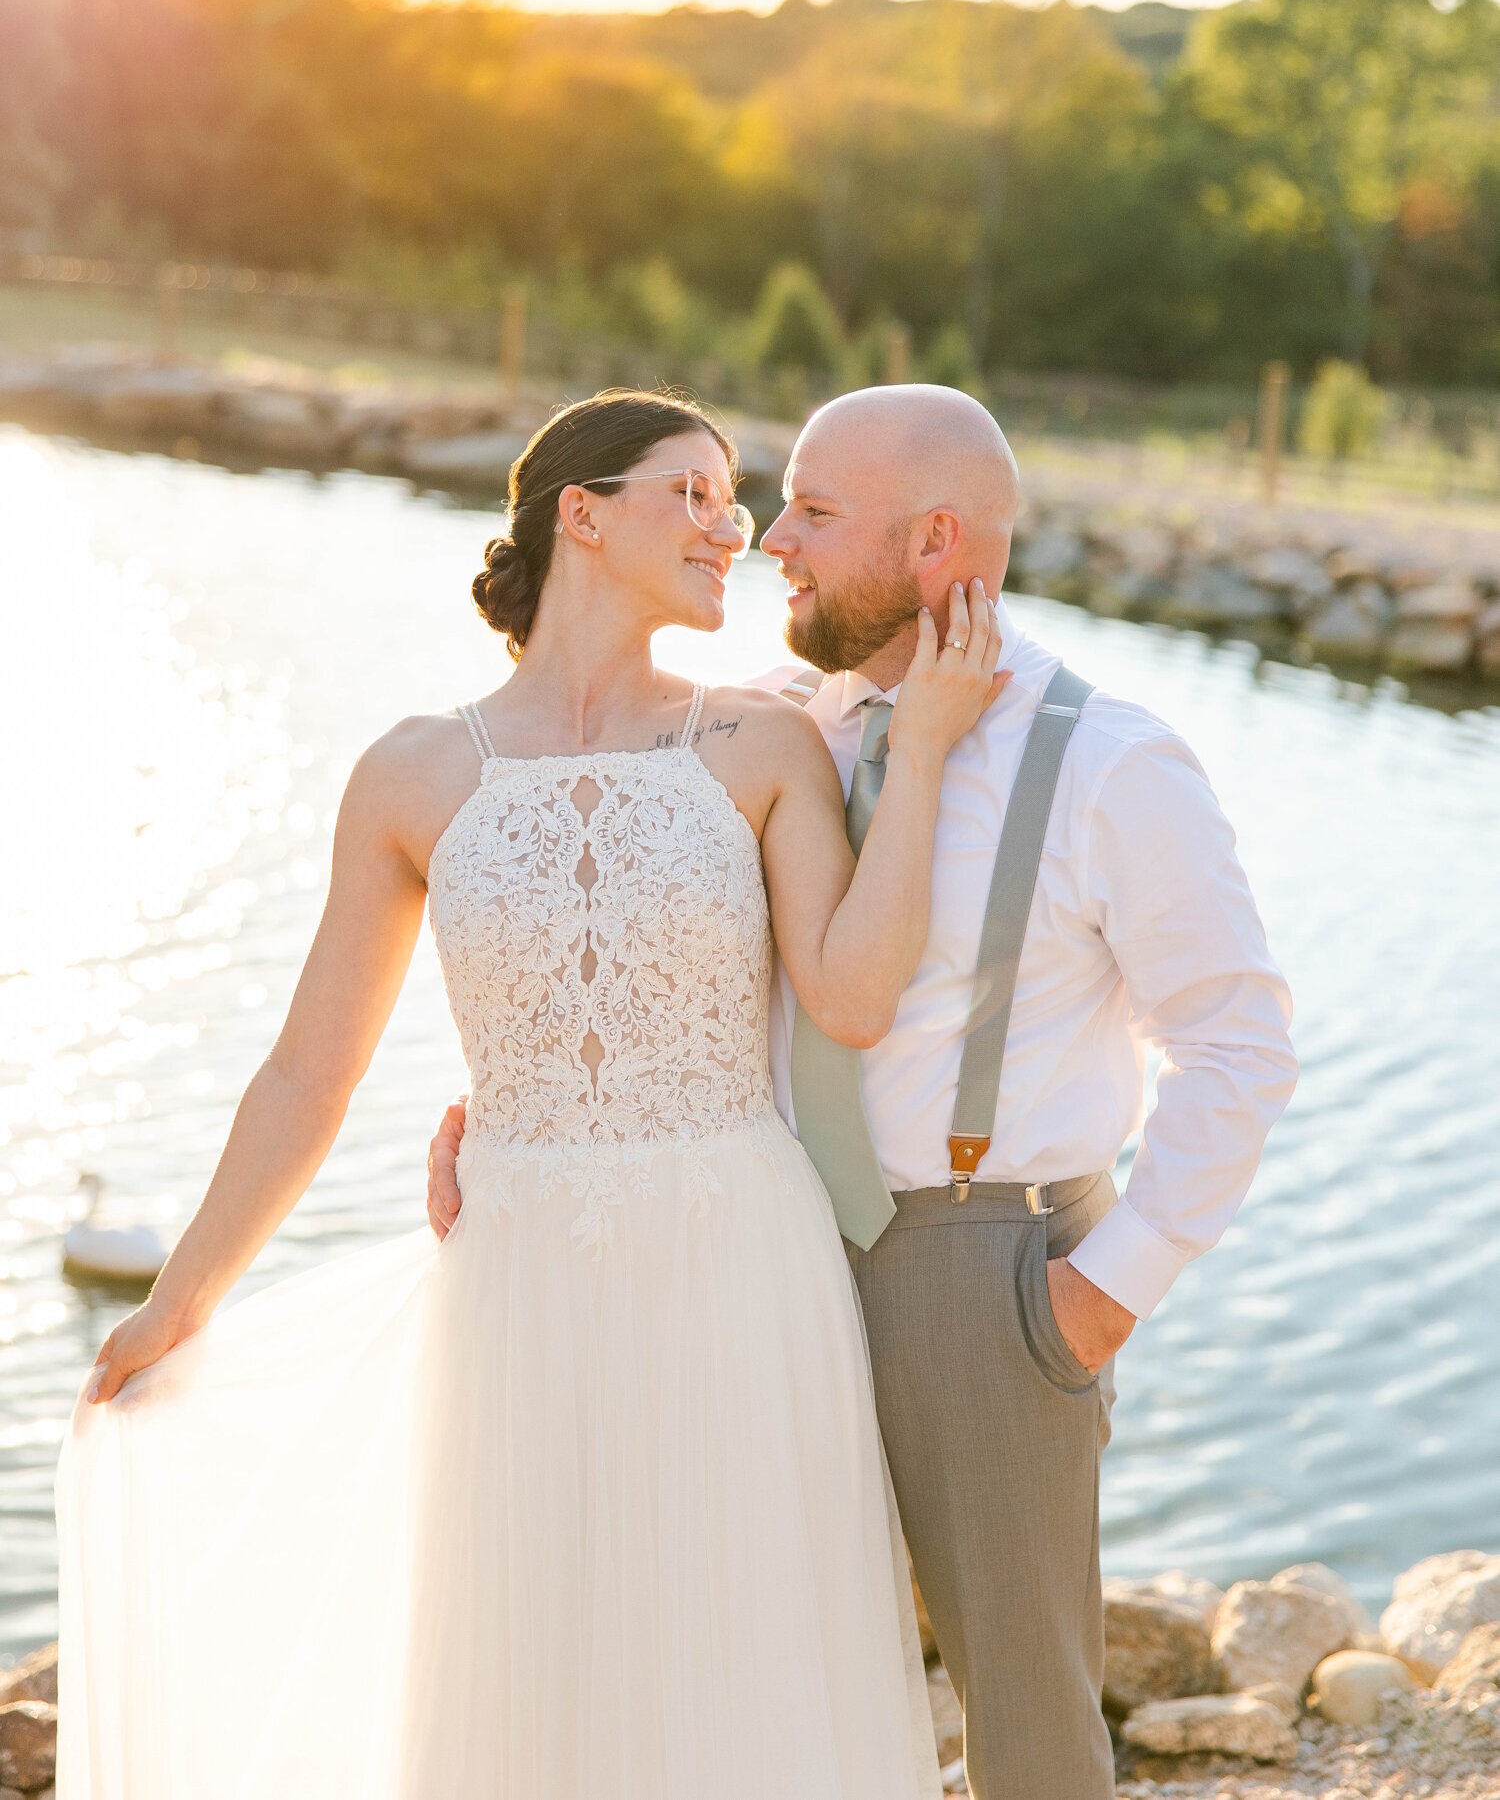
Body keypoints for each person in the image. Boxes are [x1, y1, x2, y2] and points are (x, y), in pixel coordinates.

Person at [56, 388, 1009, 1800]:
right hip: (512, 1276)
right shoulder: (414, 771)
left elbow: (856, 996)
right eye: (692, 492)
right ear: (583, 510)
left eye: (735, 501)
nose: (731, 526)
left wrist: (922, 748)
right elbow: (311, 1071)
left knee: (737, 1660)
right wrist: (183, 1297)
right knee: (525, 1668)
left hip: (738, 1260)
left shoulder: (763, 746)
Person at [430, 383, 1299, 1800]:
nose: (774, 538)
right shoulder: (775, 720)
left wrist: (1101, 1294)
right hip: (750, 1252)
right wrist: (512, 1105)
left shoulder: (1110, 760)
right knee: (752, 1680)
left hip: (981, 1270)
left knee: (1024, 1724)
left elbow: (1239, 1045)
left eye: (817, 513)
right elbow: (601, 894)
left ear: (937, 540)